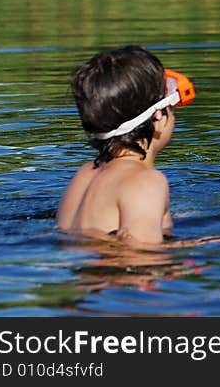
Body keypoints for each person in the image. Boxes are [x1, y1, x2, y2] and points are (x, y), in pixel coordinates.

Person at [56, 45, 195, 246]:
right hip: (117, 275)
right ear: (158, 118)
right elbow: (143, 259)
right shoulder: (145, 182)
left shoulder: (85, 173)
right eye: (171, 108)